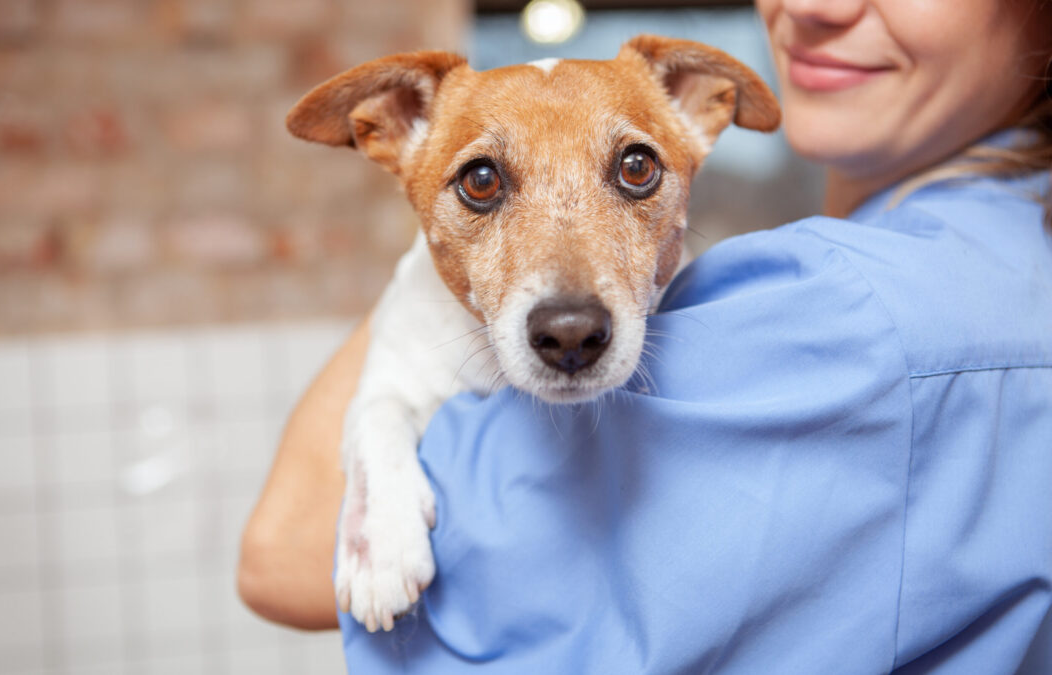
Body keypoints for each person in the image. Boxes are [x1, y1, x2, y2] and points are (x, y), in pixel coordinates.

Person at [238, 0, 1052, 671]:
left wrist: (450, 212)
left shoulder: (848, 317)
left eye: (633, 170)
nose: (813, 6)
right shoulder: (1002, 257)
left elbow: (283, 552)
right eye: (485, 180)